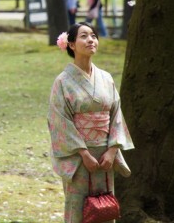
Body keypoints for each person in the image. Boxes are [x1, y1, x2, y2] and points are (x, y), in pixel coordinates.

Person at [48, 22, 134, 223]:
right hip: (78, 157)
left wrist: (112, 150)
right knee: (79, 206)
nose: (91, 40)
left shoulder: (106, 78)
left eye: (94, 36)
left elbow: (116, 115)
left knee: (105, 207)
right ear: (71, 44)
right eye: (84, 36)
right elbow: (59, 121)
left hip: (105, 155)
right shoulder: (62, 81)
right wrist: (84, 153)